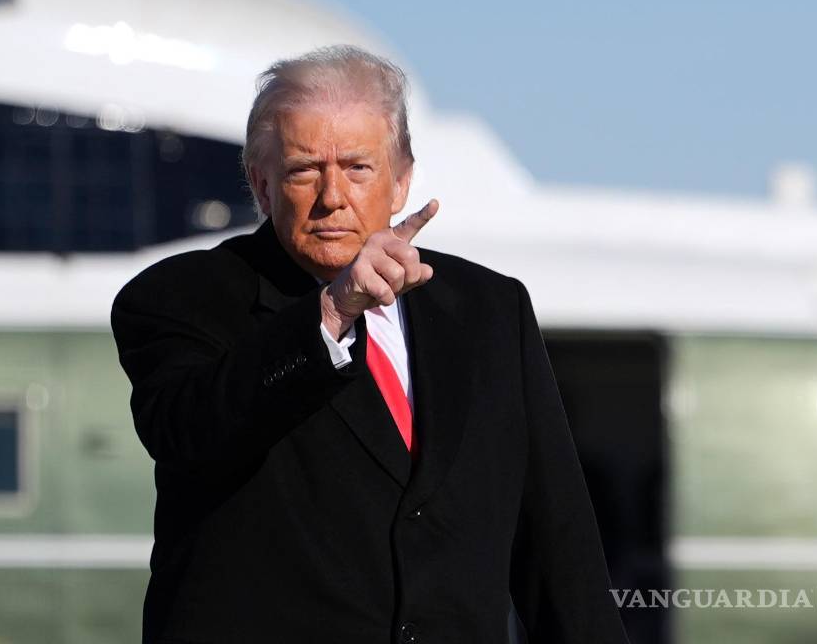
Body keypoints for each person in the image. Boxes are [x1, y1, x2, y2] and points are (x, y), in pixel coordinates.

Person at [111, 44, 629, 644]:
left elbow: (558, 540)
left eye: (357, 168)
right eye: (305, 169)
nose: (332, 196)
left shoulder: (489, 308)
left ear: (401, 181)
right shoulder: (179, 296)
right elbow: (187, 433)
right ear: (261, 184)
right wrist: (332, 312)